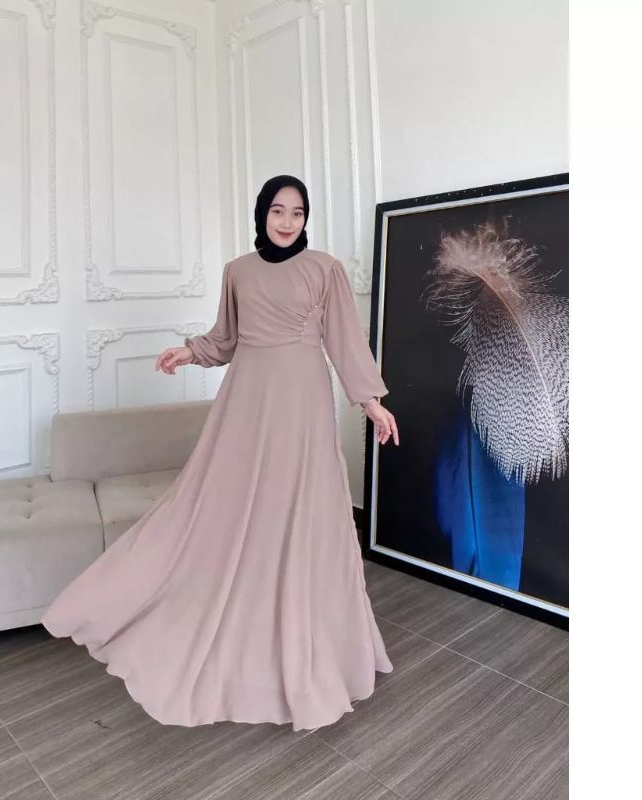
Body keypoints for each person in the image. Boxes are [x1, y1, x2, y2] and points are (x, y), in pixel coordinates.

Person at [41, 175, 400, 732]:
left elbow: (345, 343)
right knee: (231, 504)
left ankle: (301, 628)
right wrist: (189, 352)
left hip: (303, 401)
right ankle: (224, 608)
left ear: (306, 218)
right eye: (277, 211)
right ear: (261, 214)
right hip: (246, 400)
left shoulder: (325, 269)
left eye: (297, 213)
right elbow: (227, 339)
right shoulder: (238, 271)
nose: (287, 222)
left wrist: (371, 401)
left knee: (301, 507)